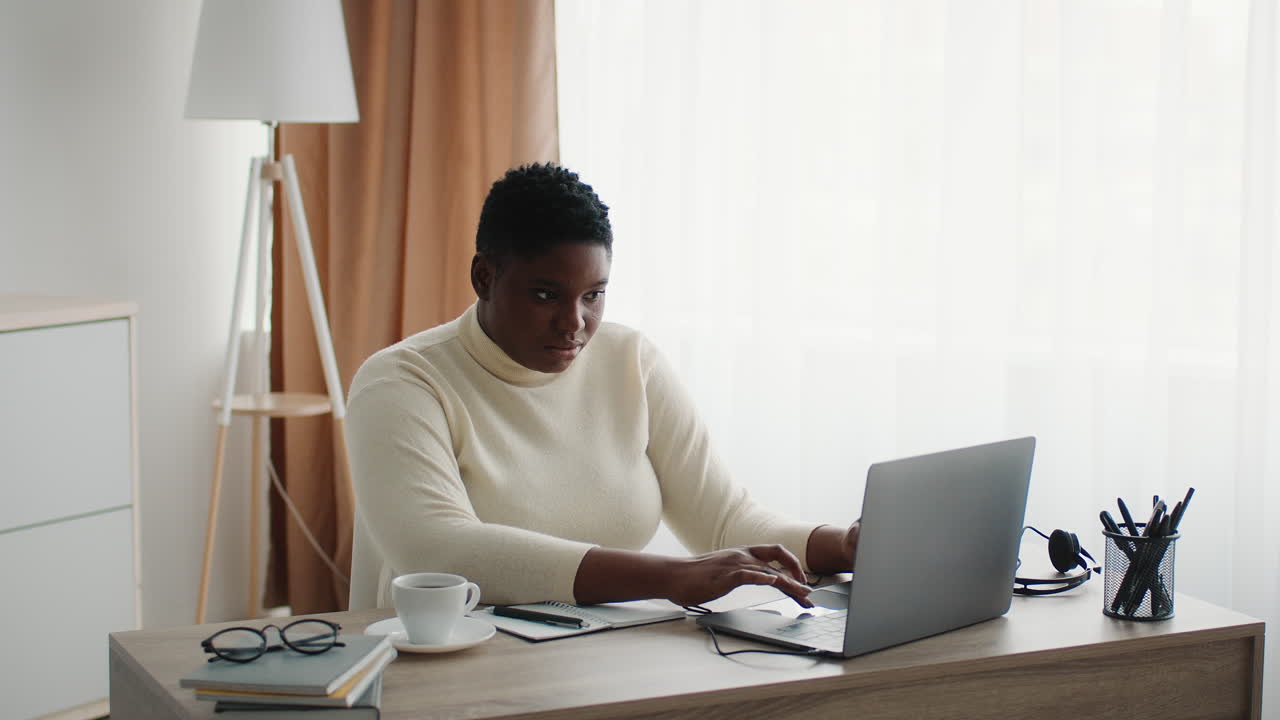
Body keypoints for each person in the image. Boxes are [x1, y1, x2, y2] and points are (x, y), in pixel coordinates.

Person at [346, 163, 859, 610]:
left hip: (598, 652)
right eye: (546, 295)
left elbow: (724, 519)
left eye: (593, 295)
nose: (574, 323)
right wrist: (669, 577)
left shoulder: (630, 361)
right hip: (446, 659)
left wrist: (846, 546)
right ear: (484, 277)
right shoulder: (403, 381)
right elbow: (439, 550)